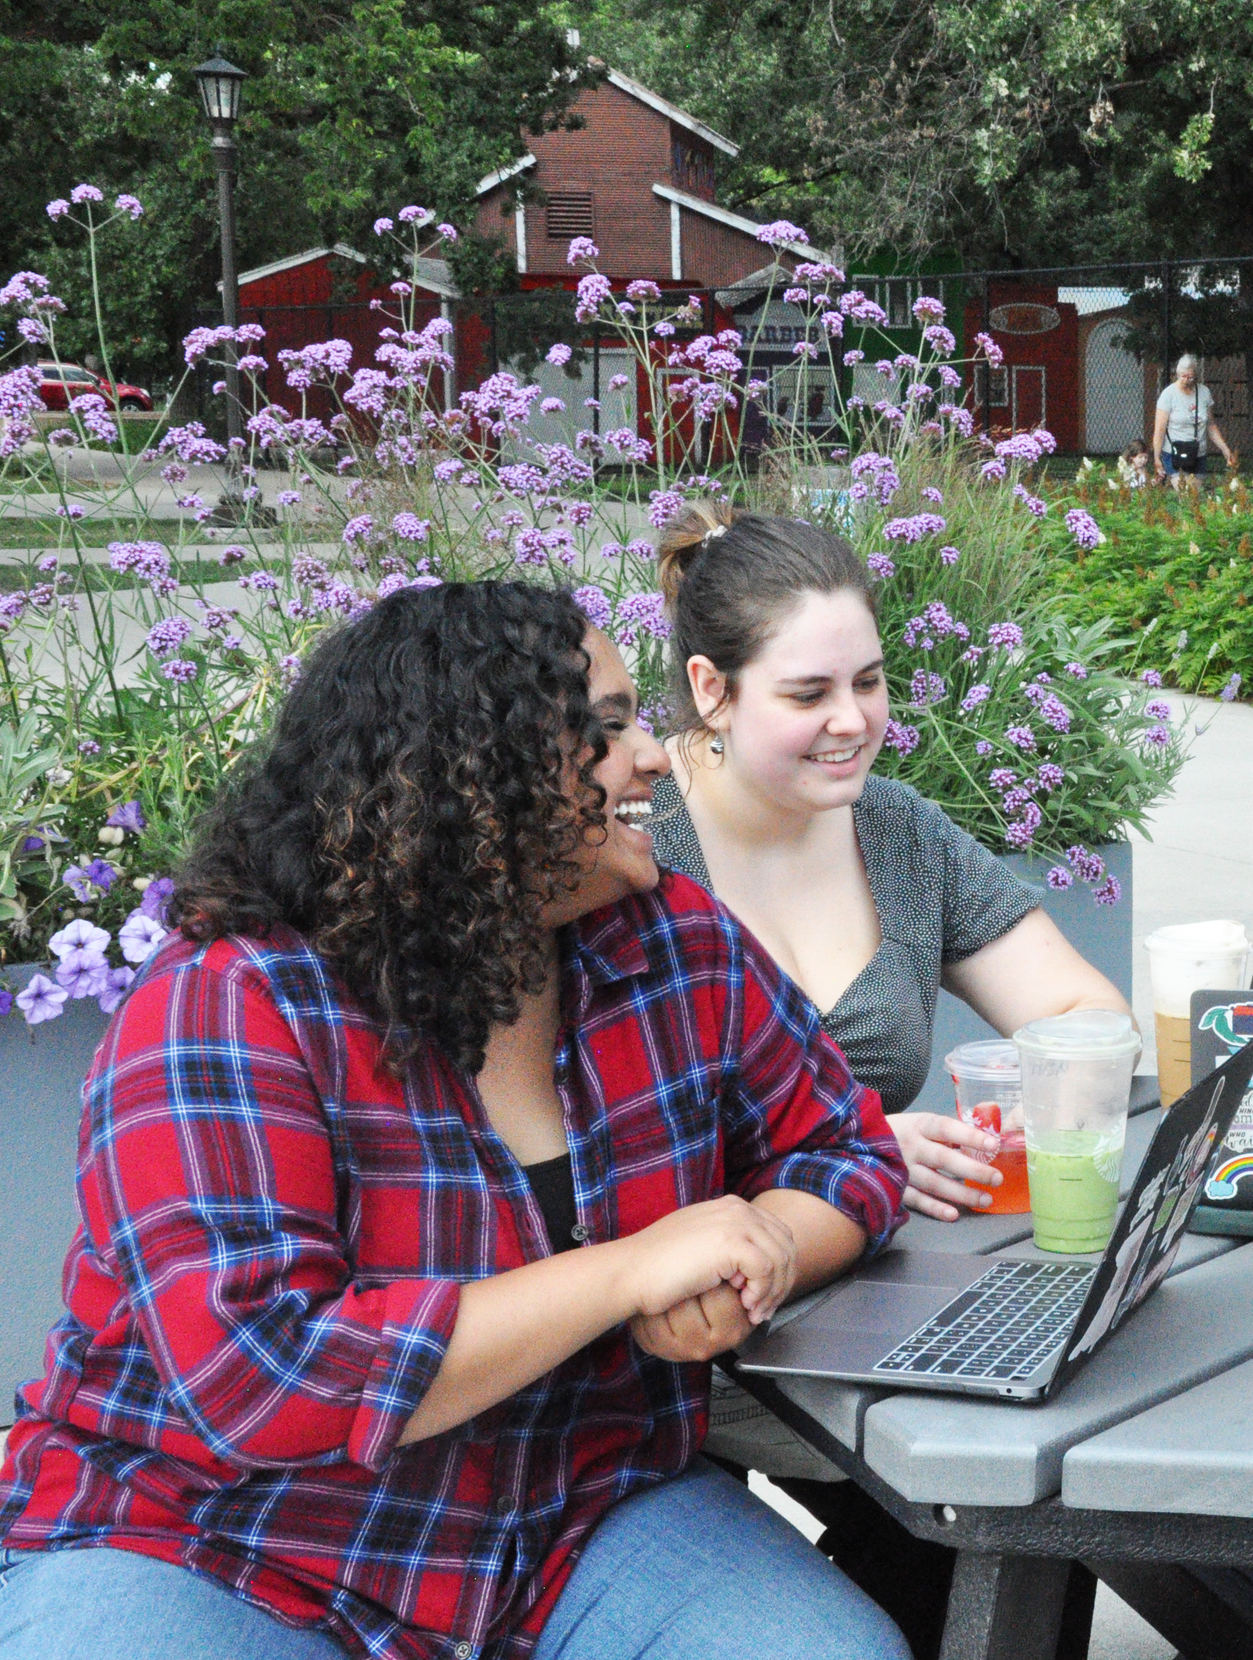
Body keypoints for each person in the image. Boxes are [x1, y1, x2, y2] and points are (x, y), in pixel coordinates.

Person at [0, 581, 911, 1660]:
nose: (658, 757)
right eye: (610, 727)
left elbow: (844, 1147)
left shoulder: (673, 942)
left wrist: (756, 1253)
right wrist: (629, 1271)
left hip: (574, 1510)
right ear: (479, 781)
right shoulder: (231, 1001)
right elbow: (261, 1375)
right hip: (223, 1535)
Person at [646, 504, 1132, 1656]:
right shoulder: (637, 845)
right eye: (809, 695)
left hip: (871, 1299)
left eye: (869, 681)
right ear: (711, 690)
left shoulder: (893, 830)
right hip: (703, 1329)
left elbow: (1086, 1016)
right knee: (1003, 1496)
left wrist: (997, 1110)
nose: (853, 722)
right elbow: (605, 1142)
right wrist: (853, 1147)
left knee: (1031, 1470)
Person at [1152, 353, 1235, 484]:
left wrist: (1225, 449)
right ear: (1178, 374)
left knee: (1195, 496)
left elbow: (1210, 425)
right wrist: (1157, 457)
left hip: (1197, 453)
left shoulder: (1204, 392)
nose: (1186, 380)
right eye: (1183, 376)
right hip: (1174, 453)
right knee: (1185, 493)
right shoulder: (1168, 395)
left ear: (1195, 375)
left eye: (1190, 377)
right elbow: (1159, 430)